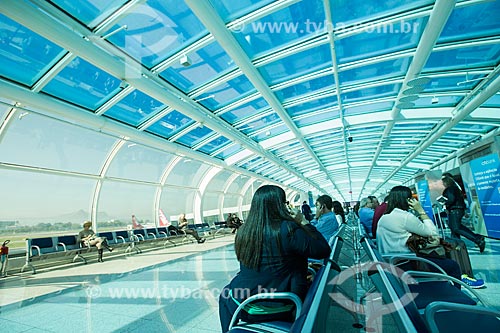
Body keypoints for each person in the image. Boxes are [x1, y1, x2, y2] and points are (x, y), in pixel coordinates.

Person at [219, 185, 330, 332]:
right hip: (282, 304)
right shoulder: (288, 228)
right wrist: (303, 221)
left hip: (243, 304)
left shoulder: (244, 231)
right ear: (281, 205)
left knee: (225, 294)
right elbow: (323, 249)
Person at [376, 186, 484, 288]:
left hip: (392, 262)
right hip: (408, 263)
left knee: (442, 253)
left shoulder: (384, 218)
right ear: (407, 200)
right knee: (452, 265)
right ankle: (458, 292)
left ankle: (459, 278)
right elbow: (432, 232)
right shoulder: (405, 217)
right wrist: (421, 211)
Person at [442, 176, 485, 252]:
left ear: (446, 182)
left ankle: (477, 239)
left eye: (443, 183)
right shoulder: (456, 189)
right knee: (454, 228)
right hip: (458, 209)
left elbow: (451, 199)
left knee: (456, 228)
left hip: (454, 210)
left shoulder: (450, 189)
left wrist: (444, 203)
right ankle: (456, 245)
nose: (443, 184)